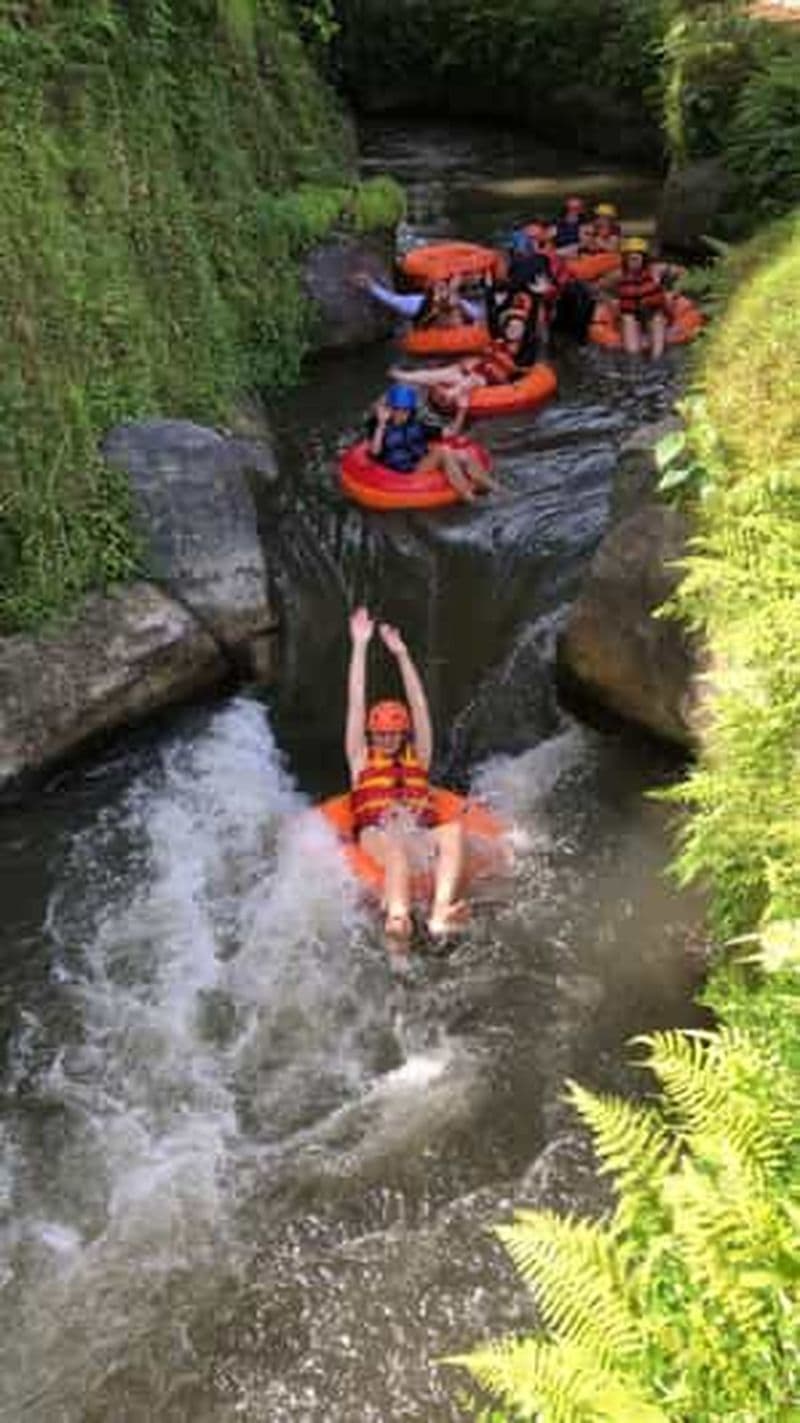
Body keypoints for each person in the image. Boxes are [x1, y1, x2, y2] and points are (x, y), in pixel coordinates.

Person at [345, 607, 467, 963]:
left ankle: (441, 912)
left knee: (453, 832)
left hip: (416, 831)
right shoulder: (361, 759)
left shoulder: (419, 758)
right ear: (372, 734)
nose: (385, 740)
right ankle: (398, 920)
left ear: (402, 734)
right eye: (380, 734)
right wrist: (360, 646)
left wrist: (402, 654)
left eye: (392, 734)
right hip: (377, 833)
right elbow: (355, 703)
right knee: (396, 852)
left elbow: (420, 704)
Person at [388, 305, 536, 428]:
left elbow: (520, 369)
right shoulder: (499, 341)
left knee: (474, 378)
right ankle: (407, 376)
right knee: (449, 371)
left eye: (518, 328)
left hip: (497, 378)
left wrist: (516, 379)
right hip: (484, 368)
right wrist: (472, 361)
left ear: (524, 331)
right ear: (505, 328)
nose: (513, 330)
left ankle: (451, 394)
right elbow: (486, 351)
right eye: (511, 327)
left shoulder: (524, 350)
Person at [369, 382, 502, 501]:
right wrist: (381, 424)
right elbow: (375, 452)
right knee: (443, 451)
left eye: (406, 411)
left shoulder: (418, 425)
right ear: (391, 409)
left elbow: (451, 433)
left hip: (422, 462)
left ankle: (495, 489)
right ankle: (468, 496)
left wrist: (462, 410)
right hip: (406, 472)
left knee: (462, 455)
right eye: (398, 410)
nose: (402, 414)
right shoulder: (380, 426)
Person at [352, 272, 482, 329]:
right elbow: (391, 300)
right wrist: (370, 285)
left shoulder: (466, 307)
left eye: (445, 288)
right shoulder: (417, 304)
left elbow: (481, 317)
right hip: (432, 351)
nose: (443, 293)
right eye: (439, 288)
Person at [615, 236, 669, 358]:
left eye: (638, 256)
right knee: (628, 320)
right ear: (625, 258)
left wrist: (674, 293)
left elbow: (683, 273)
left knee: (657, 319)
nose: (634, 259)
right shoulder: (618, 274)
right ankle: (634, 360)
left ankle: (657, 358)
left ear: (644, 258)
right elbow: (599, 287)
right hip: (631, 315)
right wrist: (611, 304)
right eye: (631, 257)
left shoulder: (656, 270)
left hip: (652, 312)